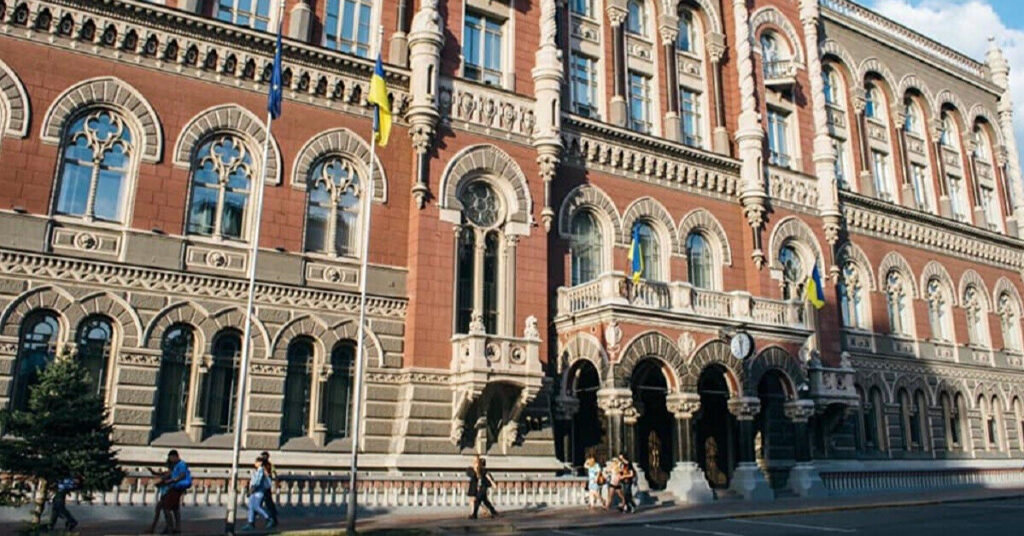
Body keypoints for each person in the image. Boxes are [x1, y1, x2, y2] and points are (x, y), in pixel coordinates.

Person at [163, 450, 192, 534]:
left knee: (167, 508)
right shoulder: (176, 465)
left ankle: (170, 527)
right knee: (175, 509)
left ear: (175, 456)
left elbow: (182, 475)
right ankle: (177, 527)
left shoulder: (181, 464)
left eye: (171, 458)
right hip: (176, 487)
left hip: (176, 488)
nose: (170, 460)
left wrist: (172, 481)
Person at [243, 457, 273, 531]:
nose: (255, 463)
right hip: (254, 491)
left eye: (256, 462)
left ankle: (269, 518)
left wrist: (252, 489)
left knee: (256, 506)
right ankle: (250, 523)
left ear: (260, 463)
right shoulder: (257, 470)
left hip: (258, 491)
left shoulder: (260, 470)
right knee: (251, 507)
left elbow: (257, 481)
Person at [147, 462, 172, 534]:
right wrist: (152, 471)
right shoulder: (167, 473)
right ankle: (168, 528)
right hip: (164, 494)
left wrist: (158, 482)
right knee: (164, 512)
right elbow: (159, 475)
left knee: (163, 511)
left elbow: (163, 478)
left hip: (167, 494)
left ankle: (153, 528)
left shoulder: (171, 473)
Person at [259, 451, 279, 526]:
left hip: (266, 487)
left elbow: (274, 473)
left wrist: (276, 483)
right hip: (263, 486)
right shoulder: (261, 465)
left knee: (267, 504)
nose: (263, 458)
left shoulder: (269, 465)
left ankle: (272, 519)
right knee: (260, 504)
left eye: (265, 456)